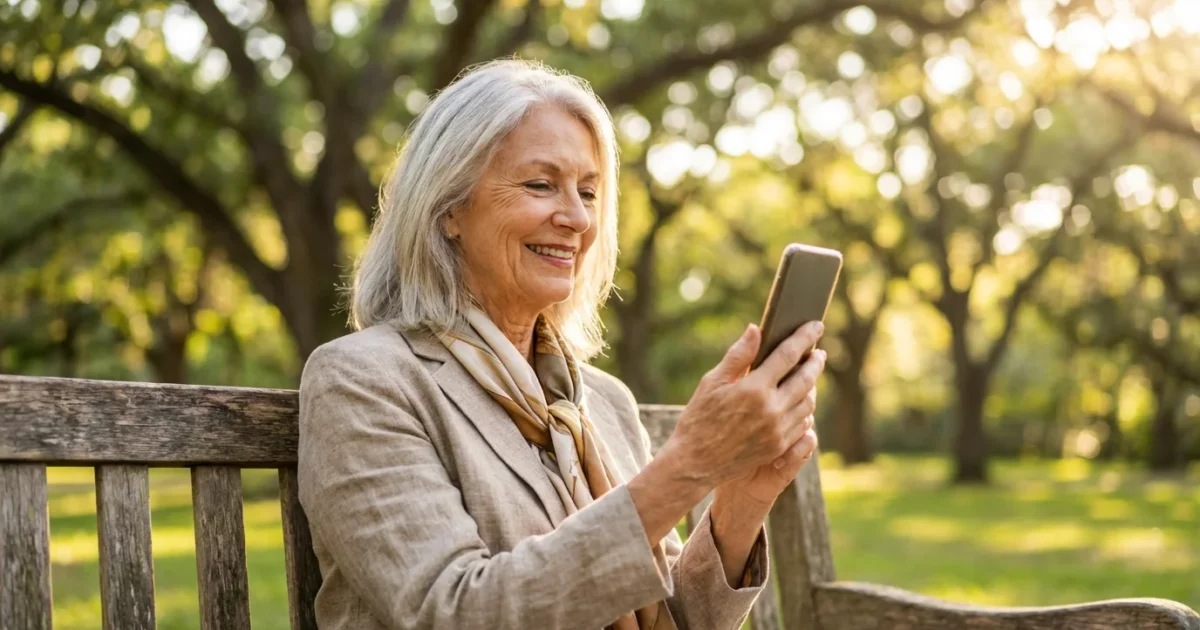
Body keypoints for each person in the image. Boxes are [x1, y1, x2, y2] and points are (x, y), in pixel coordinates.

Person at [297, 58, 826, 630]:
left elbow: (673, 621)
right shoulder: (363, 381)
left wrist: (740, 498)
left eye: (590, 192)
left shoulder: (601, 403)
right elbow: (450, 612)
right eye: (540, 184)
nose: (577, 218)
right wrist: (687, 468)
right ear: (449, 207)